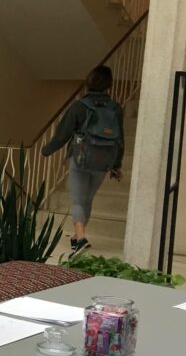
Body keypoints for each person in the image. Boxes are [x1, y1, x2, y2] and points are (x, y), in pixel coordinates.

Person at [41, 65, 124, 255]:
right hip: (103, 162)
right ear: (108, 85)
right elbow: (120, 139)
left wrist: (47, 150)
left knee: (78, 199)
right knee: (87, 199)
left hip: (80, 159)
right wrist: (116, 164)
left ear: (89, 82)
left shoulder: (79, 106)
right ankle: (77, 237)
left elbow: (63, 133)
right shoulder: (115, 108)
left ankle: (79, 237)